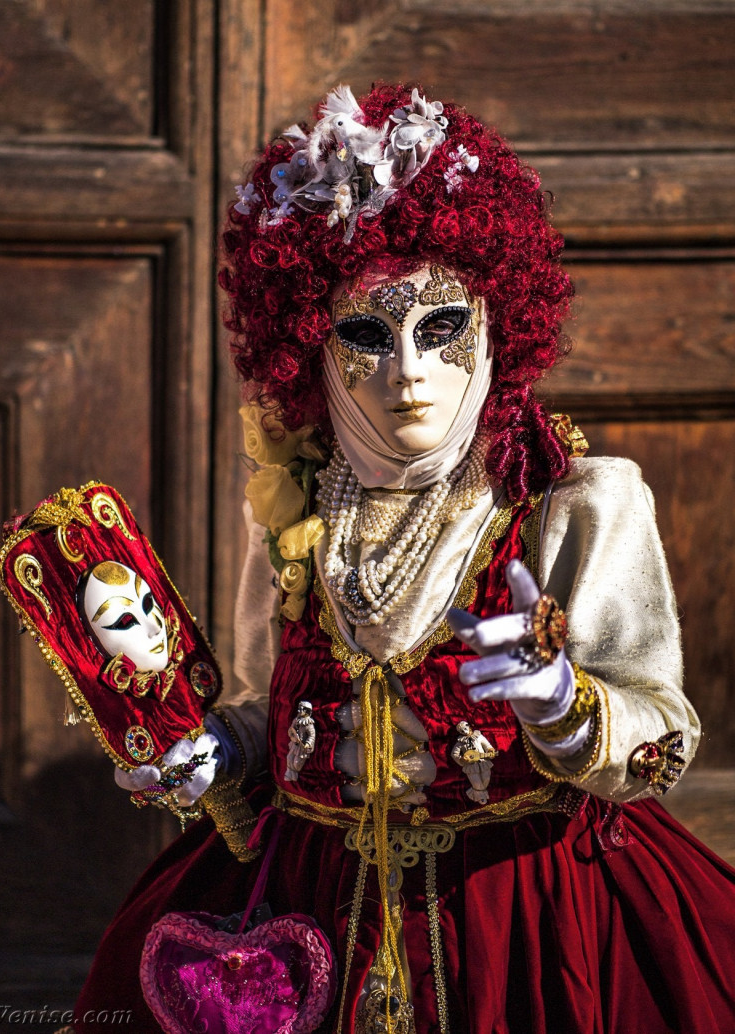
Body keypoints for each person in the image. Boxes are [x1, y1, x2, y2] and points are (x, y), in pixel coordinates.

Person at [70, 82, 735, 1034]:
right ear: (309, 342)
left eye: (440, 328)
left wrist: (564, 705)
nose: (408, 372)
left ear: (500, 321)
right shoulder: (301, 502)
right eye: (366, 336)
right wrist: (219, 752)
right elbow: (279, 707)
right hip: (309, 914)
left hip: (525, 918)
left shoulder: (570, 500)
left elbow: (661, 732)